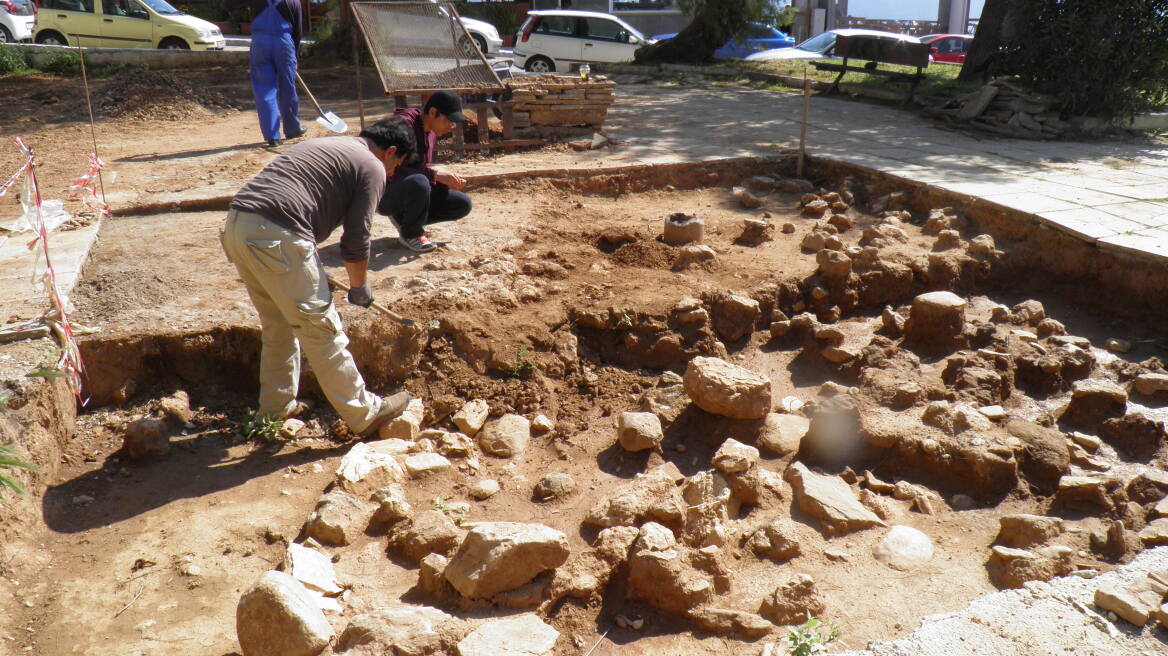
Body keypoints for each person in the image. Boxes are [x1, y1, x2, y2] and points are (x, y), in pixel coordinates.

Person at [220, 117, 416, 438]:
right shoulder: (373, 165)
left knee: (278, 324)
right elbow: (356, 239)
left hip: (238, 226)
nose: (392, 174)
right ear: (390, 151)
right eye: (397, 165)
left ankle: (274, 408)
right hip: (276, 234)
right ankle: (364, 412)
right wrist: (359, 286)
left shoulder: (326, 145)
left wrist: (303, 262)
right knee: (321, 329)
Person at [380, 91, 473, 253]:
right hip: (386, 193)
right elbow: (390, 169)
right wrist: (434, 175)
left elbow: (419, 166)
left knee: (462, 204)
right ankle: (411, 234)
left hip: (411, 188)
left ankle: (405, 221)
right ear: (432, 112)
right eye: (448, 121)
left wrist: (443, 180)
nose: (450, 127)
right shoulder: (402, 126)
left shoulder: (431, 131)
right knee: (420, 182)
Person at [223, 0, 305, 147]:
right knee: (288, 87)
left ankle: (272, 136)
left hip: (260, 44)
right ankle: (292, 128)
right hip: (284, 44)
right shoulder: (293, 2)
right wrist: (295, 55)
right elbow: (298, 31)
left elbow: (227, 5)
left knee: (264, 89)